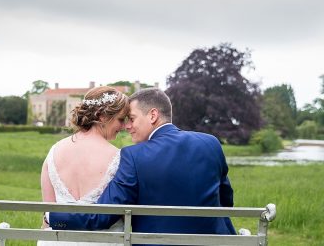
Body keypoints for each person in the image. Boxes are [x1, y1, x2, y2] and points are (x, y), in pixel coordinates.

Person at [48, 88, 236, 244]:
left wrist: (53, 217)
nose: (127, 126)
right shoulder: (210, 143)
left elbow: (103, 214)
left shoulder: (133, 156)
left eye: (132, 118)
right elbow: (226, 201)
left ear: (153, 115)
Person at [37, 86, 130, 246]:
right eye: (121, 119)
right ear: (101, 116)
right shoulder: (119, 157)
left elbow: (48, 216)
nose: (123, 127)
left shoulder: (53, 152)